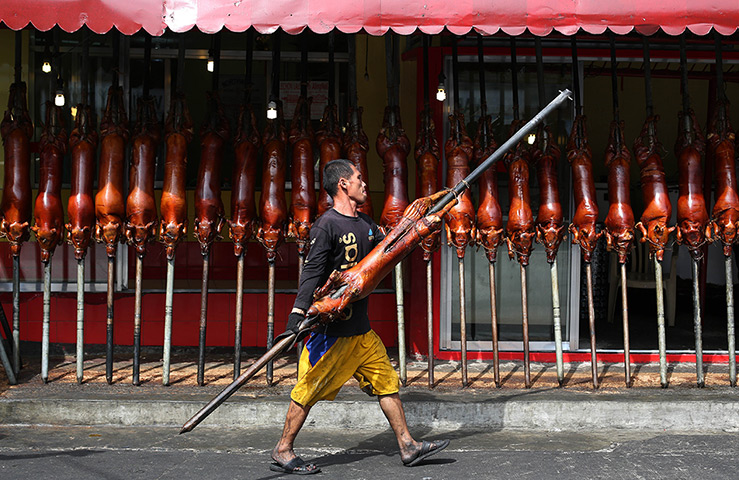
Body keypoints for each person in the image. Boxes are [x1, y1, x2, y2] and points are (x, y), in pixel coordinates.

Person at [270, 159, 450, 475]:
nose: (363, 183)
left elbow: (390, 249)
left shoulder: (365, 223)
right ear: (343, 184)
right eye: (358, 178)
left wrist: (421, 227)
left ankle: (407, 445)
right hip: (332, 335)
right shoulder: (325, 225)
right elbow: (311, 273)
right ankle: (283, 449)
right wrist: (296, 316)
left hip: (362, 333)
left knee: (386, 382)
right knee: (308, 391)